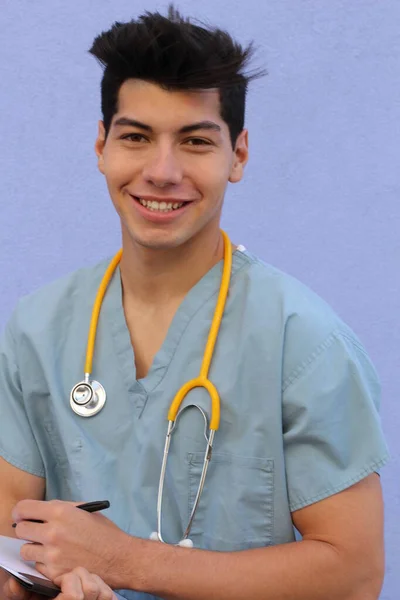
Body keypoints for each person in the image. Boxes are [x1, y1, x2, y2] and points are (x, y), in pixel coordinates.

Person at [0, 5, 389, 600]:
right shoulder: (36, 330)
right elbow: (9, 540)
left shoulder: (303, 340)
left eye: (195, 141)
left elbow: (355, 574)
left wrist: (125, 562)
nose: (162, 171)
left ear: (239, 154)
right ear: (101, 145)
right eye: (135, 137)